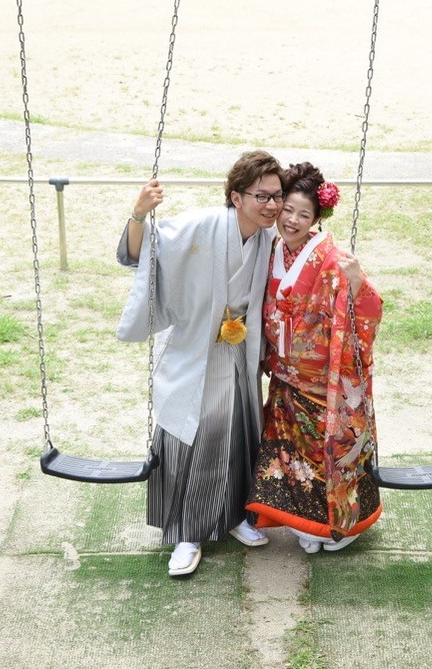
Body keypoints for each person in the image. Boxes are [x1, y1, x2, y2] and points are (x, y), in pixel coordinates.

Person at [116, 150, 284, 577]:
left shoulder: (268, 239)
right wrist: (139, 214)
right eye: (261, 196)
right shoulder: (202, 225)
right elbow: (145, 252)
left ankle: (236, 517)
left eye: (276, 196)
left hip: (238, 348)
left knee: (238, 432)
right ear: (236, 197)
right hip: (197, 348)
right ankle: (187, 533)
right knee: (192, 435)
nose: (271, 206)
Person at [245, 162, 384, 554]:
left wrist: (357, 284)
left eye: (303, 214)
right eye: (287, 209)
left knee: (330, 452)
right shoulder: (271, 248)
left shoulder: (331, 258)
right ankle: (309, 524)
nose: (291, 220)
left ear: (316, 218)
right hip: (285, 377)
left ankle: (342, 524)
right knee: (295, 457)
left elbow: (369, 311)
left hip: (323, 380)